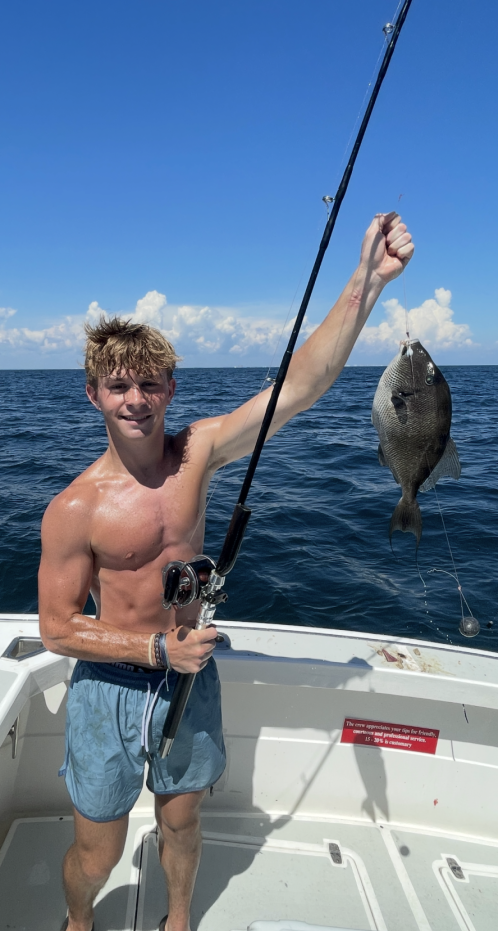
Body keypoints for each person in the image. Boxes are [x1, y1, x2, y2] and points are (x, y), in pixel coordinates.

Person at [38, 211, 413, 931]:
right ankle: (79, 922)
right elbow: (57, 628)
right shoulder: (74, 507)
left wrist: (367, 280)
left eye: (150, 383)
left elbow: (301, 386)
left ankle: (178, 918)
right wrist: (156, 648)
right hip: (109, 689)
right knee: (97, 853)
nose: (136, 399)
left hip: (190, 679)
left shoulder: (199, 452)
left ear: (171, 388)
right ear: (93, 394)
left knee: (182, 822)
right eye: (118, 386)